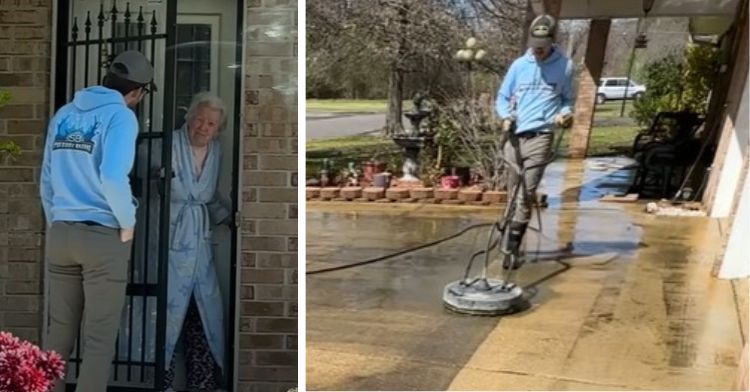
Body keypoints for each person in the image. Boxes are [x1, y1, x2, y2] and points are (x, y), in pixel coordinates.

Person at [40, 50, 153, 392]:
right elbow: (113, 176)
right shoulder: (121, 117)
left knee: (57, 336)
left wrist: (56, 222)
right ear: (137, 91)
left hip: (61, 234)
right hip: (103, 235)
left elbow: (46, 178)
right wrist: (127, 222)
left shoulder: (64, 114)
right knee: (99, 341)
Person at [161, 92, 231, 391]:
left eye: (211, 123)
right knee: (164, 318)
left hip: (200, 247)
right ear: (188, 118)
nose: (203, 127)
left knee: (203, 315)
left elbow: (210, 196)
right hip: (168, 242)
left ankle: (202, 385)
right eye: (199, 120)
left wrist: (228, 218)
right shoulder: (168, 144)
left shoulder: (216, 151)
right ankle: (158, 383)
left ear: (218, 129)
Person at [495, 14, 575, 268]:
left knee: (526, 194)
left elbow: (567, 100)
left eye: (542, 46)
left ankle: (511, 249)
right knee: (512, 191)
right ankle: (507, 233)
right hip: (515, 136)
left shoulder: (565, 66)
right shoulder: (519, 65)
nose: (538, 51)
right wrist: (506, 116)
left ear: (552, 40)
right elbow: (502, 97)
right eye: (534, 46)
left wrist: (565, 114)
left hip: (541, 136)